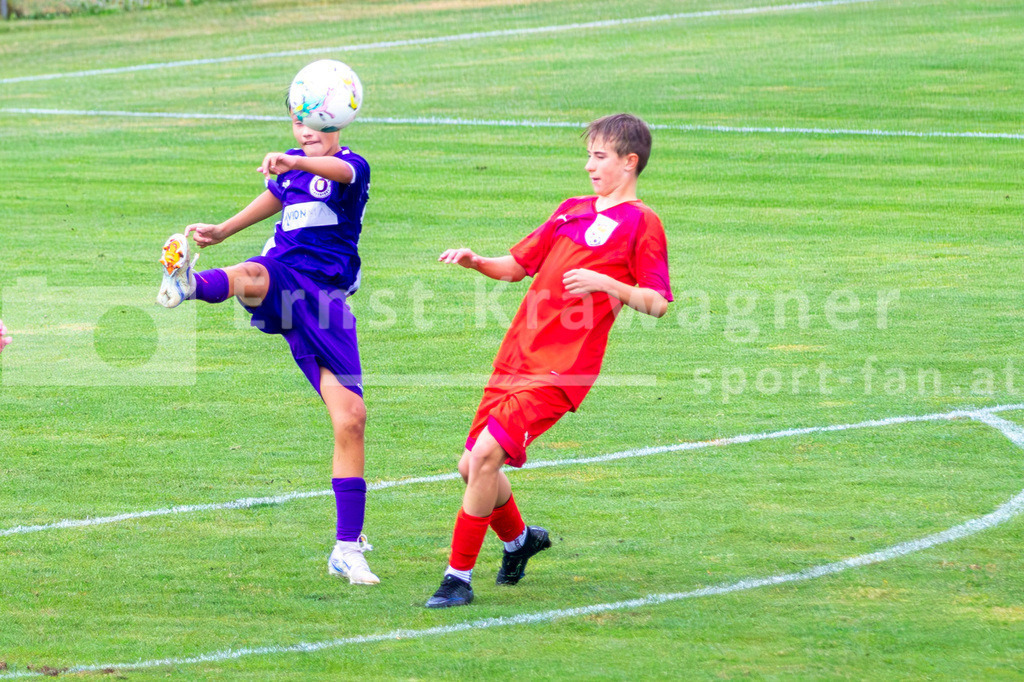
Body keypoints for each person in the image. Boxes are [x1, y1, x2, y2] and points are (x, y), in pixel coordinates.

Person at [426, 113, 673, 608]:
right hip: (516, 356)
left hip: (564, 368)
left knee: (487, 459)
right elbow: (517, 266)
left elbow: (657, 302)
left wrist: (610, 286)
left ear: (630, 163)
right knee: (469, 465)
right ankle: (519, 542)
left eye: (599, 157)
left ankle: (458, 580)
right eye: (588, 156)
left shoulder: (642, 222)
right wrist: (478, 261)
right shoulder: (571, 211)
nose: (589, 166)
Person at [156, 98, 378, 585]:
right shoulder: (293, 168)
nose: (305, 130)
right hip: (285, 275)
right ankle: (189, 283)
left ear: (338, 122)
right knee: (257, 272)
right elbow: (277, 197)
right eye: (298, 121)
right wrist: (224, 229)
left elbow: (335, 172)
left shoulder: (352, 166)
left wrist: (295, 161)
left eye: (315, 121)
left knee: (351, 419)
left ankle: (347, 546)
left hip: (326, 305)